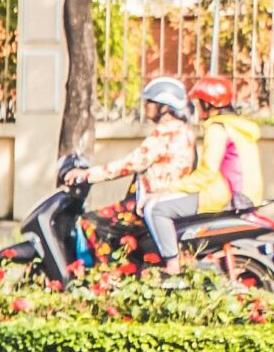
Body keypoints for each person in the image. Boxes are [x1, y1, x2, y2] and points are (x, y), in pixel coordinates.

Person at [73, 76, 198, 272]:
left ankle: (104, 278)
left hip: (153, 200)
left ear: (163, 106)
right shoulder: (184, 130)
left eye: (150, 102)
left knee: (90, 221)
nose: (146, 106)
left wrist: (87, 174)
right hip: (169, 197)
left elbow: (130, 164)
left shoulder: (165, 133)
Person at [183, 74, 263, 218]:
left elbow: (207, 171)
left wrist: (178, 186)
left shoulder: (218, 129)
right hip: (251, 198)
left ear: (208, 104)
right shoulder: (239, 128)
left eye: (199, 102)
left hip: (230, 199)